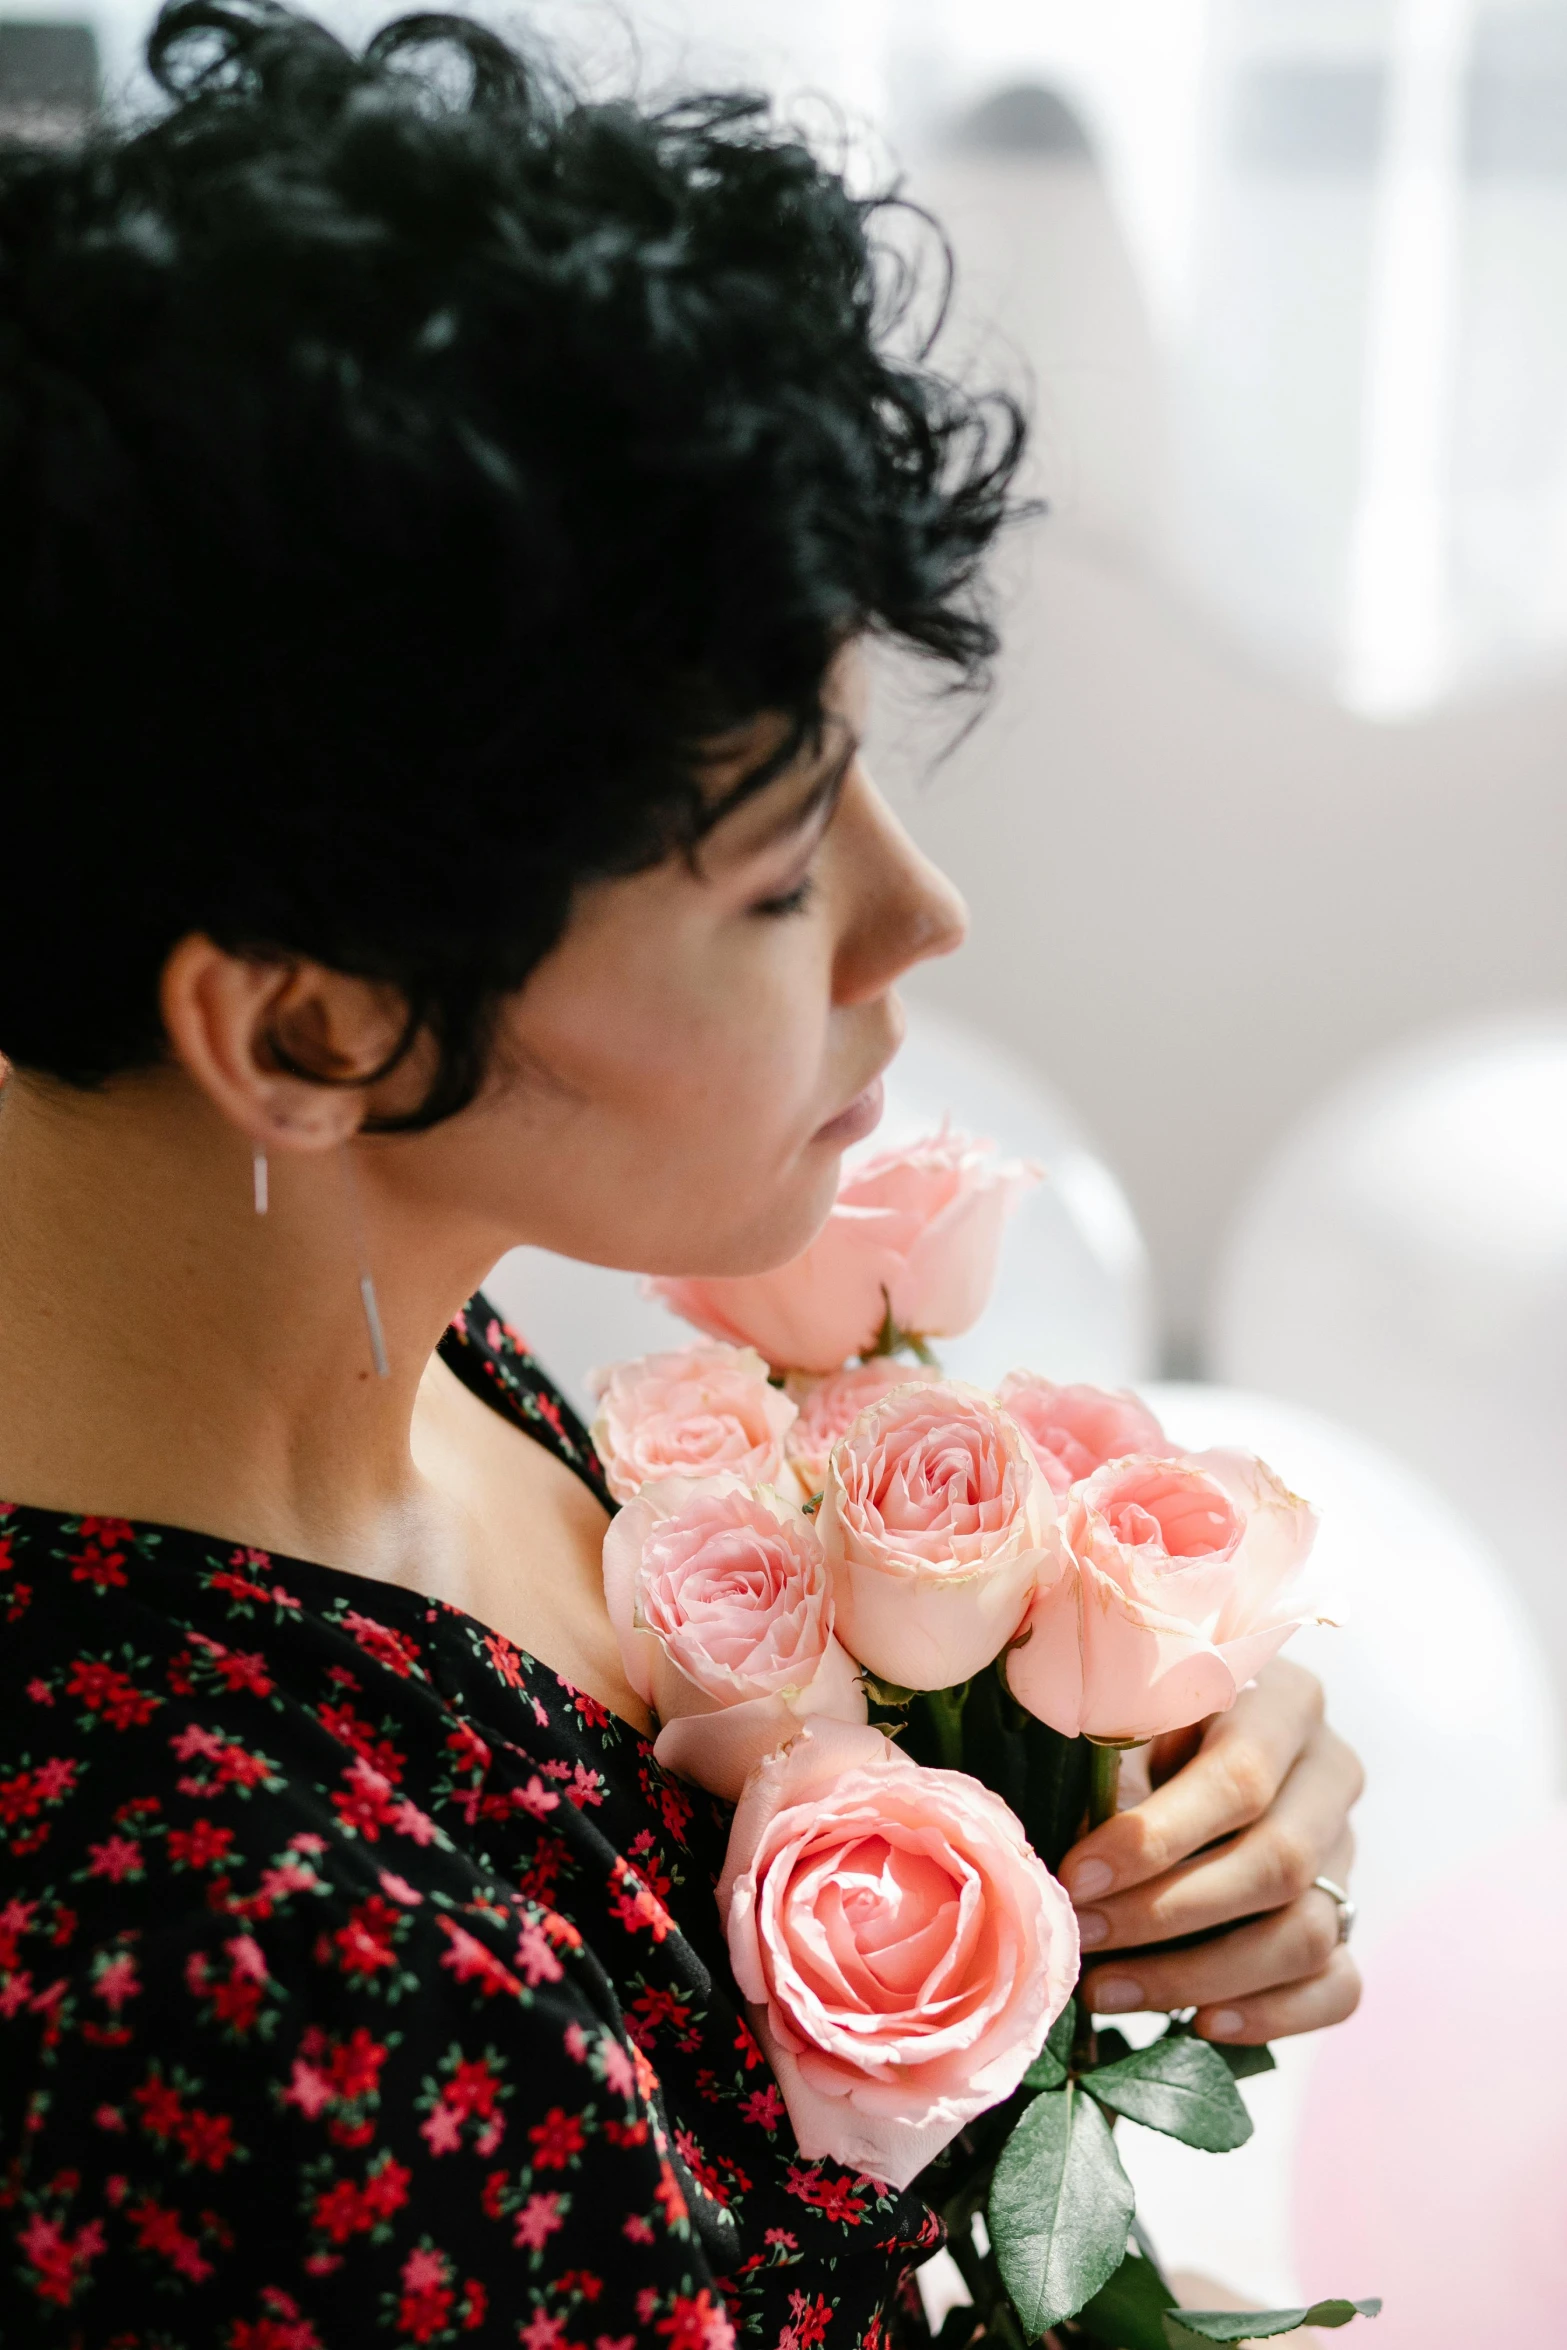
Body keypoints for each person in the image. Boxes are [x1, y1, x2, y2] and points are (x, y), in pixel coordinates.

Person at [0, 4, 1363, 2340]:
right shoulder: (246, 1992)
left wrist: (1092, 1792)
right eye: (771, 870)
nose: (923, 918)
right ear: (310, 1024)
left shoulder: (353, 1325)